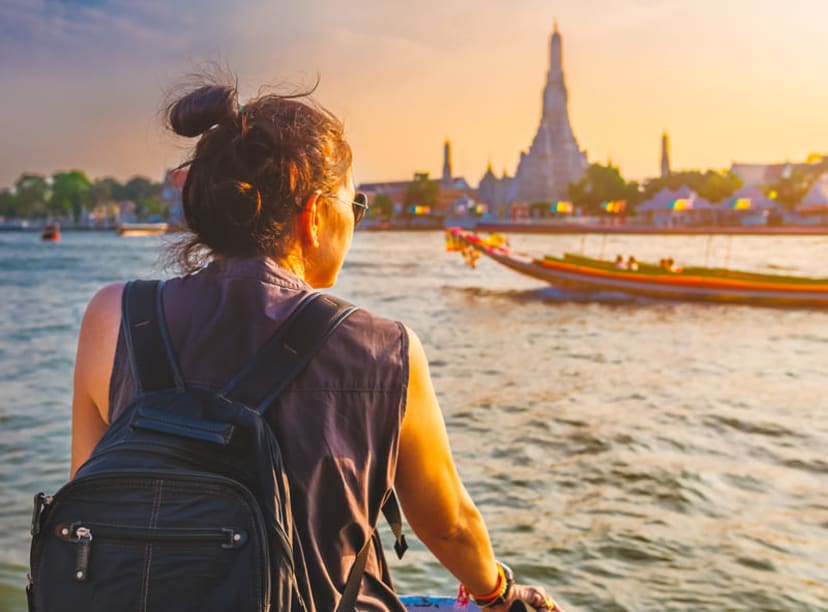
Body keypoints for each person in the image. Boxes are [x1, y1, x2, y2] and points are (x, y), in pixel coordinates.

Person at [70, 79, 561, 611]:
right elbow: (449, 527)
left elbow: (87, 494)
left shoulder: (112, 317)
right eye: (355, 204)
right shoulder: (386, 349)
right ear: (314, 218)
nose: (355, 219)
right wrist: (500, 593)